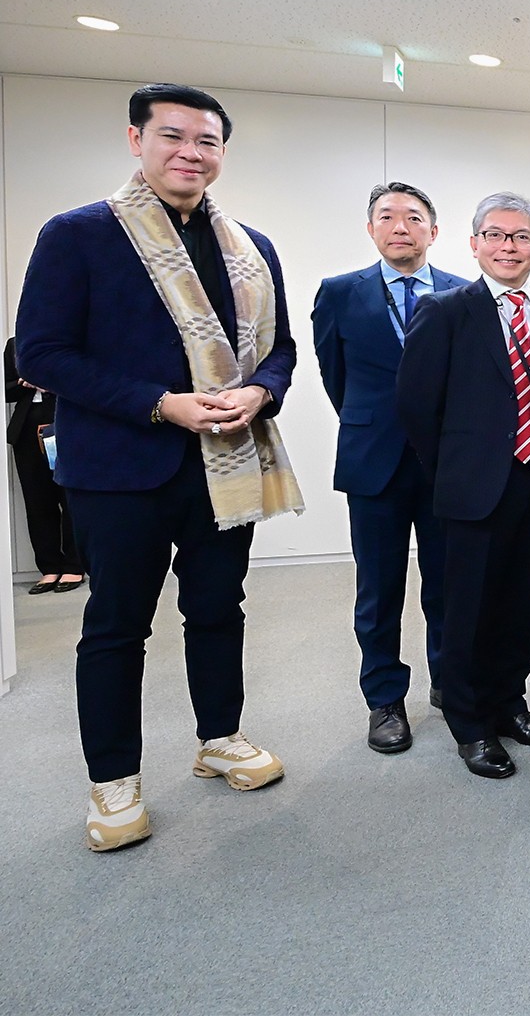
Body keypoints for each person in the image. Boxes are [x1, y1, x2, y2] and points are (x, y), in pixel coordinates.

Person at [17, 82, 301, 852]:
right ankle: (113, 780)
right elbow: (41, 354)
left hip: (225, 463)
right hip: (118, 470)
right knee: (116, 625)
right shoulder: (78, 235)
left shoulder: (251, 246)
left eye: (207, 141)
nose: (190, 153)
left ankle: (220, 737)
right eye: (173, 136)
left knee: (218, 608)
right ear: (135, 140)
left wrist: (260, 392)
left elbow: (281, 349)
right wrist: (159, 403)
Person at [396, 192, 530, 779]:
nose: (508, 247)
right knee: (468, 609)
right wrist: (453, 469)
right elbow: (416, 406)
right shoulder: (445, 310)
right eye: (496, 235)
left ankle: (509, 703)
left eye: (521, 237)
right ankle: (470, 724)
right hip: (471, 487)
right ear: (474, 245)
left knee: (520, 602)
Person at [312, 182, 469, 754]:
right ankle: (384, 699)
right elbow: (334, 375)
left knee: (448, 583)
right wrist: (371, 423)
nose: (400, 226)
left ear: (434, 230)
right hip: (372, 460)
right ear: (370, 228)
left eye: (413, 217)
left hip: (445, 462)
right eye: (387, 217)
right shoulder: (339, 293)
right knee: (378, 589)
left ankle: (450, 682)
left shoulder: (462, 292)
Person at [6, 336, 85, 592]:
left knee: (70, 499)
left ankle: (74, 566)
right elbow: (6, 390)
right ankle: (49, 567)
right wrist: (25, 382)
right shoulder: (15, 345)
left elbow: (85, 382)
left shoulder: (71, 343)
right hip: (26, 432)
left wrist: (50, 382)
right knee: (37, 502)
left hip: (66, 428)